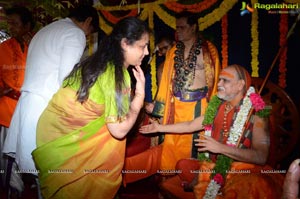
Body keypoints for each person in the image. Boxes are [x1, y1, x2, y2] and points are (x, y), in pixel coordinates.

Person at [31, 16, 149, 198]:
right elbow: (118, 130)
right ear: (125, 43)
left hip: (51, 133)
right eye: (142, 46)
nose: (147, 52)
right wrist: (139, 98)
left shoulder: (96, 61)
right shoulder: (115, 73)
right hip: (67, 142)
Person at [140, 64, 285, 199]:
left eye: (225, 80)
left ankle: (211, 185)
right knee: (183, 165)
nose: (219, 84)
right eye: (220, 79)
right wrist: (159, 128)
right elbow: (190, 125)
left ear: (240, 85)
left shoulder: (257, 113)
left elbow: (260, 157)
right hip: (214, 166)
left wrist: (220, 148)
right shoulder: (218, 107)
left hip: (244, 171)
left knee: (249, 185)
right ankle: (209, 183)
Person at [2, 4, 99, 182]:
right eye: (89, 32)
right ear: (88, 21)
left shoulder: (46, 30)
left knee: (42, 174)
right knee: (52, 174)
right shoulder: (74, 33)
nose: (86, 36)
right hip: (46, 107)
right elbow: (67, 79)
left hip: (28, 103)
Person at [145, 11, 220, 174]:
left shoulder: (209, 51)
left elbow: (214, 84)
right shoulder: (172, 52)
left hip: (199, 107)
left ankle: (195, 184)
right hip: (175, 107)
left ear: (194, 27)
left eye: (182, 27)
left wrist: (213, 111)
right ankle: (170, 180)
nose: (177, 31)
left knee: (196, 150)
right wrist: (159, 109)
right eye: (176, 27)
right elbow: (165, 83)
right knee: (172, 147)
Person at [0, 5, 34, 189]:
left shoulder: (36, 46)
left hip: (30, 107)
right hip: (7, 109)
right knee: (8, 151)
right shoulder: (3, 48)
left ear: (27, 25)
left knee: (26, 146)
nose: (11, 28)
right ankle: (13, 188)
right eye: (9, 23)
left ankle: (27, 182)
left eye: (15, 23)